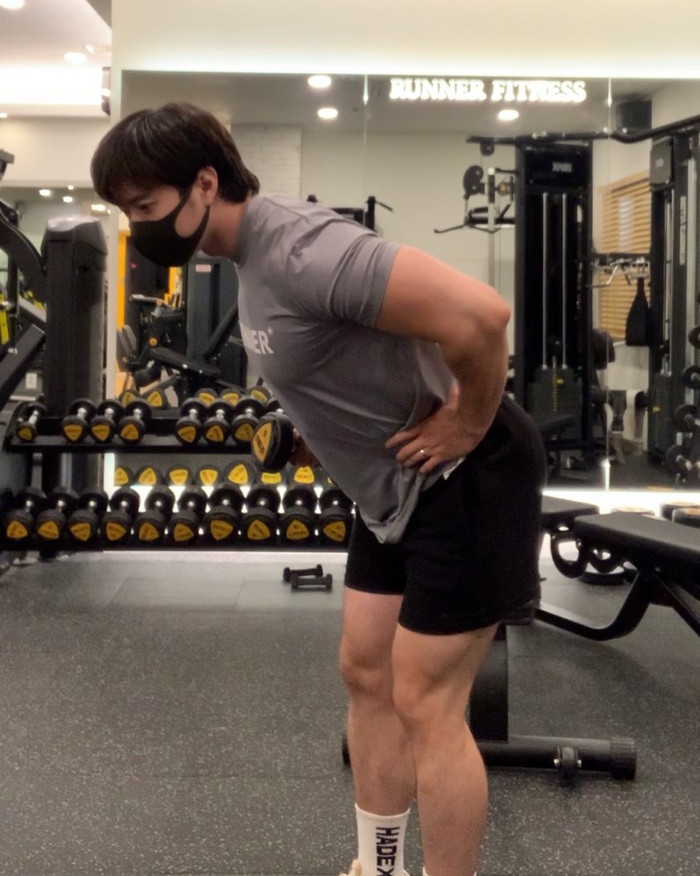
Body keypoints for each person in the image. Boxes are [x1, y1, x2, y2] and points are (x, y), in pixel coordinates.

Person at [91, 101, 546, 876]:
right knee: (367, 674)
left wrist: (469, 422)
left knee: (428, 703)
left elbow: (482, 315)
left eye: (145, 206)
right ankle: (379, 866)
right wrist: (317, 431)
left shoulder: (303, 249)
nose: (139, 226)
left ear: (205, 183)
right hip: (392, 487)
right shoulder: (248, 262)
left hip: (467, 477)